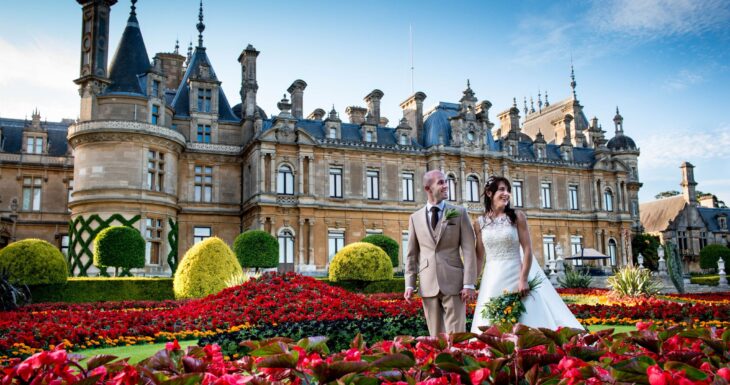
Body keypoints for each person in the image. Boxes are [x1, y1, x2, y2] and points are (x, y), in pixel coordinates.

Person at [470, 176, 583, 333]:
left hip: (515, 273)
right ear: (489, 193)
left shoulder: (517, 217)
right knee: (490, 320)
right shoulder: (479, 222)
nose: (507, 193)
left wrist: (523, 279)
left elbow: (528, 249)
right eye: (502, 189)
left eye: (508, 190)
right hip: (492, 277)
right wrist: (471, 283)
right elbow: (479, 256)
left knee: (526, 318)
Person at [404, 170, 478, 336]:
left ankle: (458, 361)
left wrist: (469, 283)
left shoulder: (459, 213)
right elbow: (411, 254)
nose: (446, 186)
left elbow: (469, 250)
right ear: (427, 188)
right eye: (441, 183)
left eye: (446, 182)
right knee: (435, 338)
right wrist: (409, 284)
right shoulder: (415, 218)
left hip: (455, 284)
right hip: (427, 283)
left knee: (457, 336)